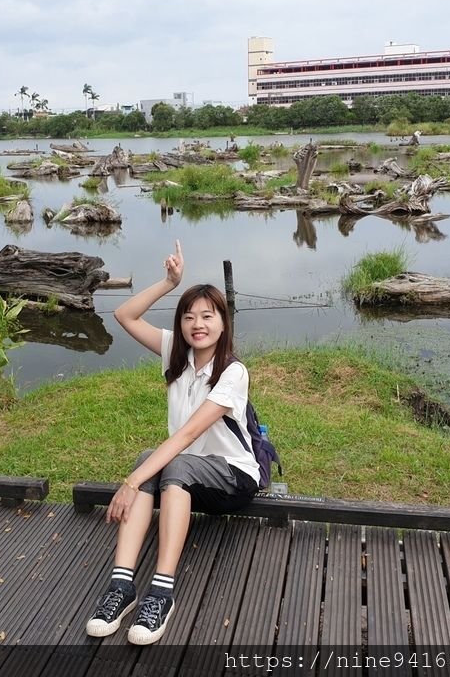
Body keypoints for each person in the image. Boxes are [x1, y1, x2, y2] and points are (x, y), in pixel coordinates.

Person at [85, 240, 259, 646]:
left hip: (232, 479)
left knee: (168, 463)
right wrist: (168, 282)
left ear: (222, 323)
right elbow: (124, 314)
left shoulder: (233, 372)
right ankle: (122, 586)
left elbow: (187, 436)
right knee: (153, 459)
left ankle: (161, 593)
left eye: (207, 316)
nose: (198, 324)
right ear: (181, 323)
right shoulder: (173, 354)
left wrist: (131, 482)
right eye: (189, 317)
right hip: (184, 479)